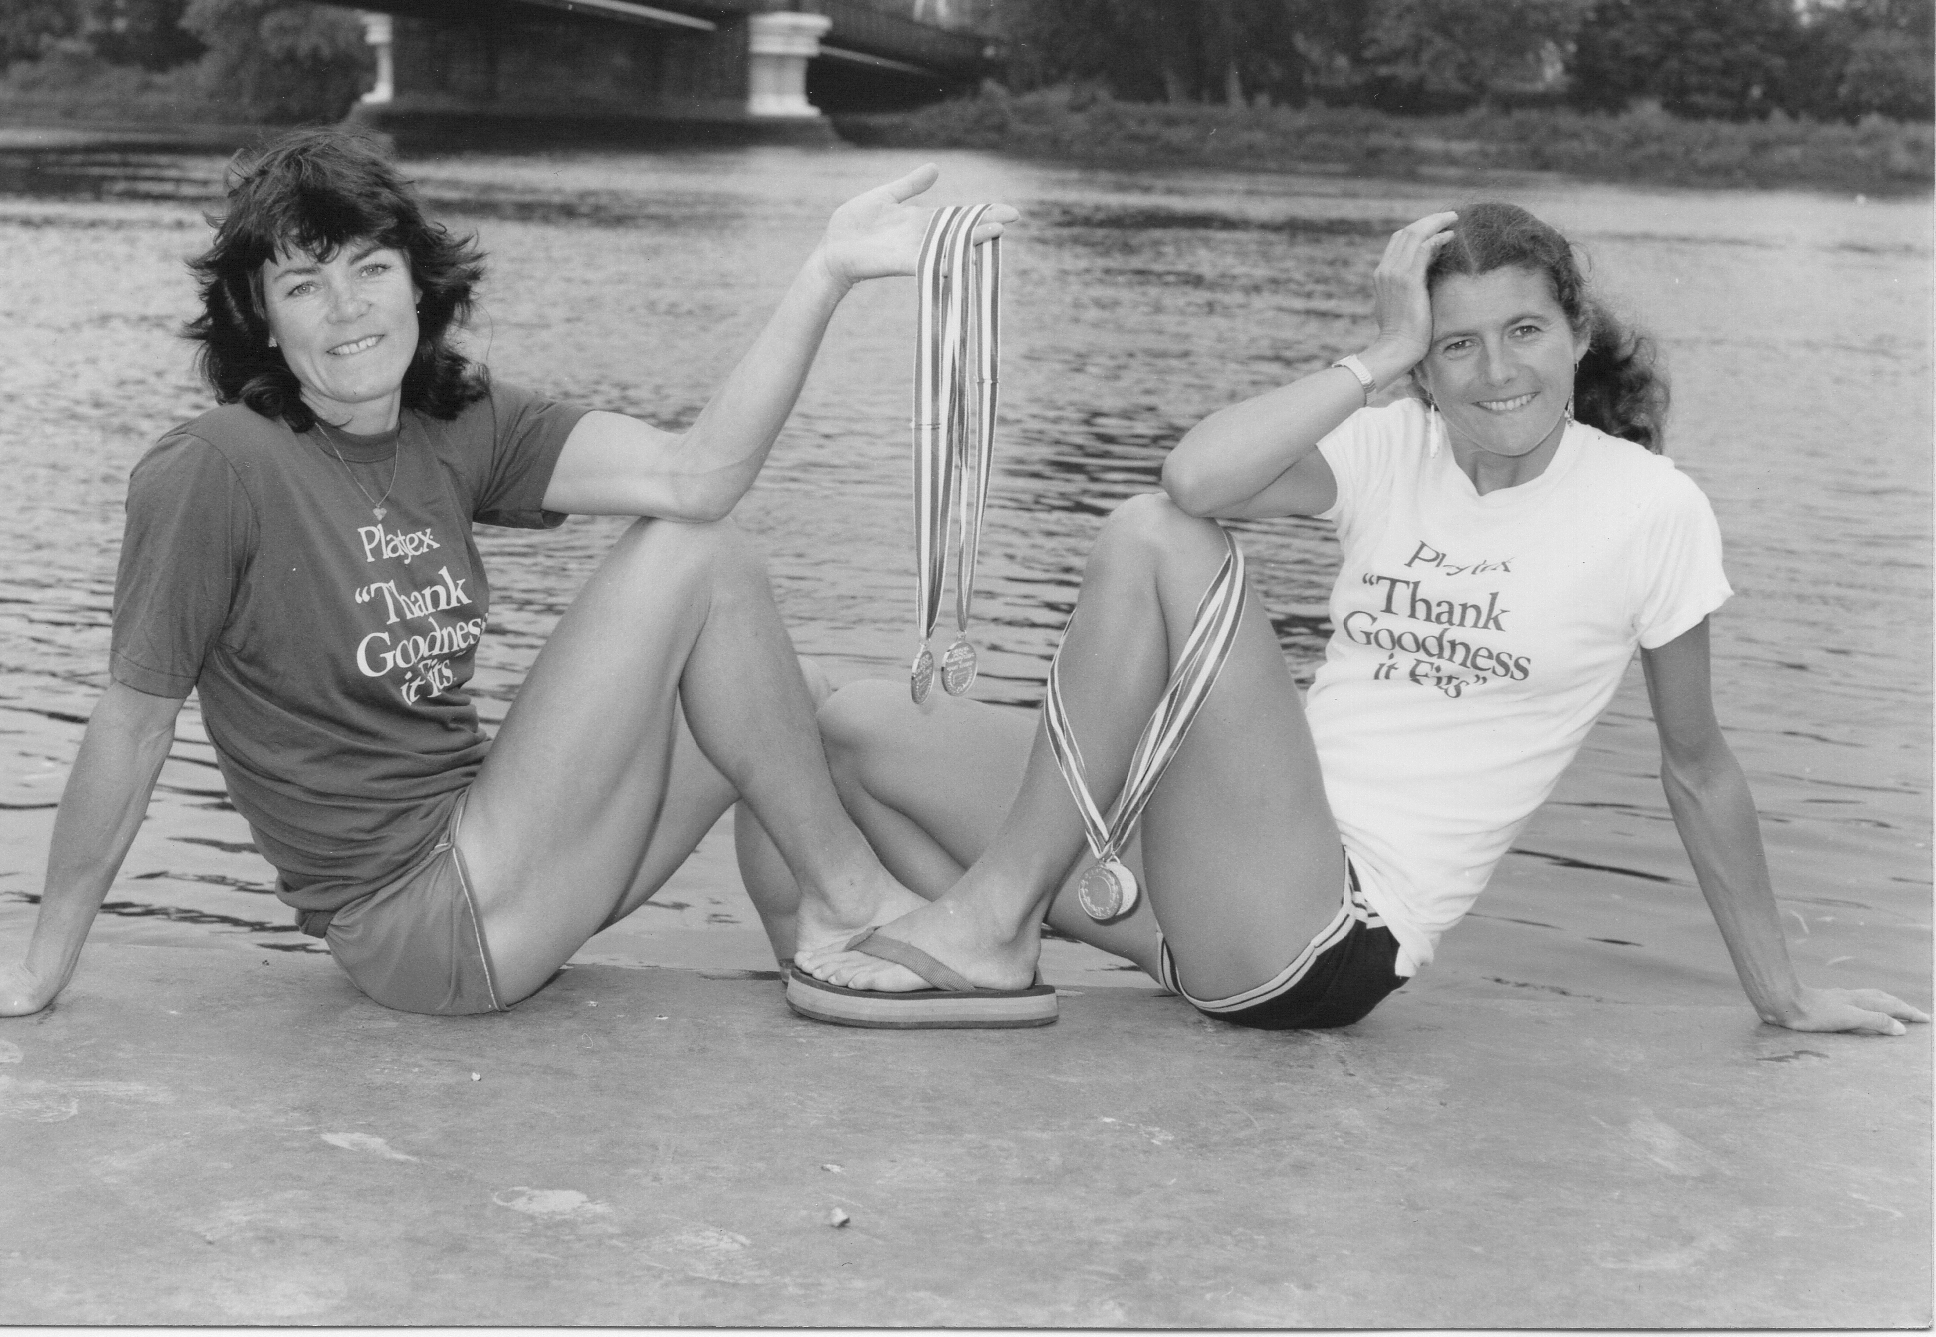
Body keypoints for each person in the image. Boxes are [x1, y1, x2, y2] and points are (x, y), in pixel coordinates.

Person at [0, 128, 1015, 1022]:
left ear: (421, 283)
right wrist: (41, 963)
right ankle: (856, 900)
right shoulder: (214, 470)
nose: (348, 309)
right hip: (421, 921)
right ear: (259, 317)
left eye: (371, 269)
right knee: (696, 565)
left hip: (505, 860)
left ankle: (823, 936)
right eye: (303, 284)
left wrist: (824, 272)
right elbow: (131, 722)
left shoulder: (457, 422)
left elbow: (700, 470)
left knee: (790, 700)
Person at [782, 202, 1929, 1037]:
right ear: (1422, 364)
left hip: (1330, 933)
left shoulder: (1650, 509)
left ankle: (984, 918)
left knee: (1151, 538)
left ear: (1578, 333)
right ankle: (984, 932)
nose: (1493, 374)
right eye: (1452, 343)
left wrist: (1781, 994)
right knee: (852, 722)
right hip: (1208, 882)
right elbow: (1202, 469)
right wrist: (1375, 359)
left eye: (1524, 332)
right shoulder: (1396, 443)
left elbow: (1698, 768)